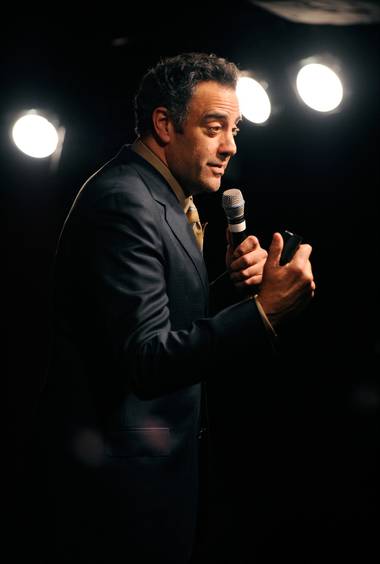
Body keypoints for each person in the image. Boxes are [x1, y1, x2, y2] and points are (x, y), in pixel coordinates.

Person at [34, 52, 315, 564]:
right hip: (118, 497)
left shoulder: (162, 196)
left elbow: (158, 315)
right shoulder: (126, 203)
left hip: (152, 479)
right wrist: (264, 312)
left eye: (234, 129)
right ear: (165, 124)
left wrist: (230, 287)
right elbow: (147, 358)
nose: (229, 146)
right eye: (214, 128)